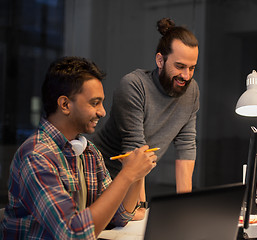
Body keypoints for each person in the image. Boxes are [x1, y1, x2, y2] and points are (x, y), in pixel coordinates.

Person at [0, 56, 157, 239]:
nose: (102, 111)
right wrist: (127, 175)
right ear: (65, 105)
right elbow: (73, 234)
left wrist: (136, 175)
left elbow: (119, 215)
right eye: (94, 103)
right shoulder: (36, 156)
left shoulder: (88, 151)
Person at [91, 17, 200, 219]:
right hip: (102, 176)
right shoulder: (134, 86)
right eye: (180, 66)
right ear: (160, 60)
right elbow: (136, 148)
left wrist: (186, 208)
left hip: (136, 174)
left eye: (192, 68)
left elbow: (186, 145)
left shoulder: (191, 91)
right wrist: (140, 206)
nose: (186, 75)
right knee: (135, 220)